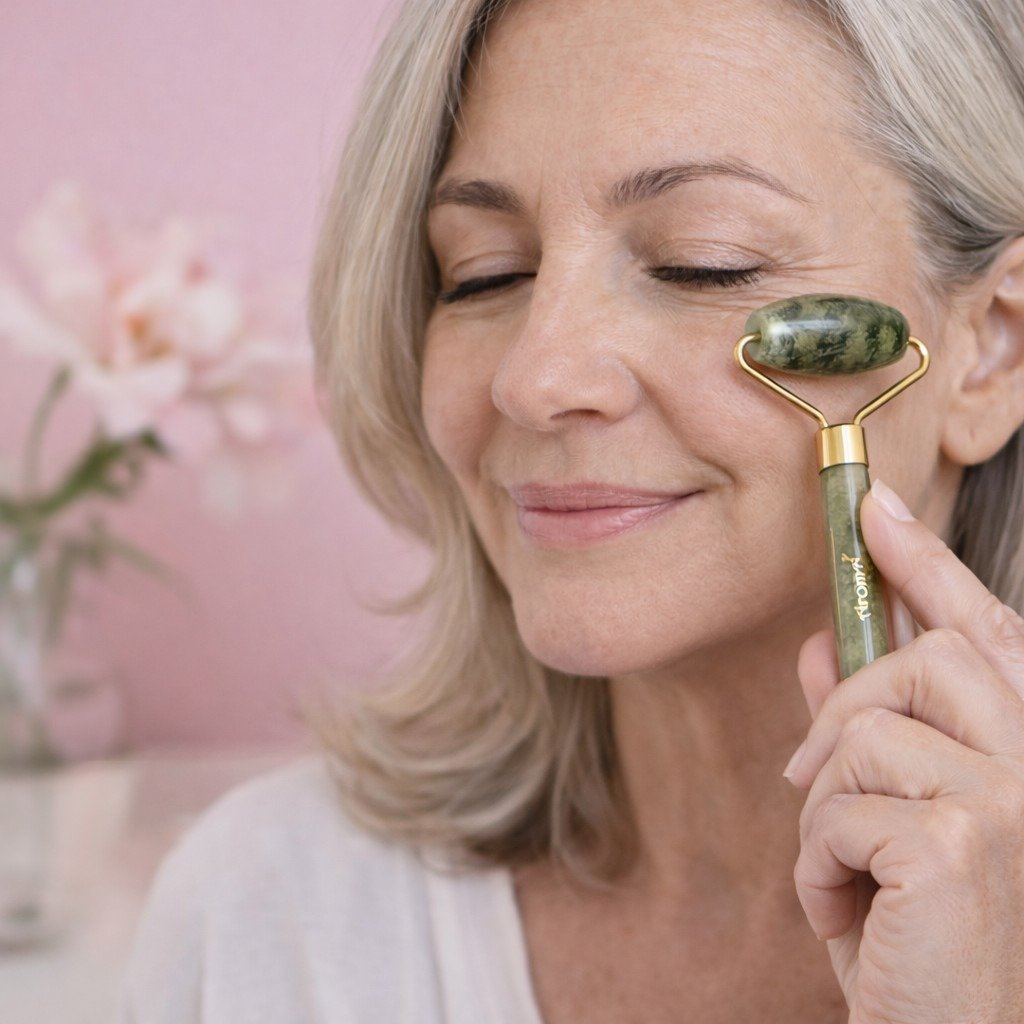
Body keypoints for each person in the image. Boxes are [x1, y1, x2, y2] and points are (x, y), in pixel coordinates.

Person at [118, 0, 1024, 1021]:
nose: (535, 377)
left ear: (990, 351)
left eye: (703, 261)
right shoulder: (269, 914)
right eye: (484, 274)